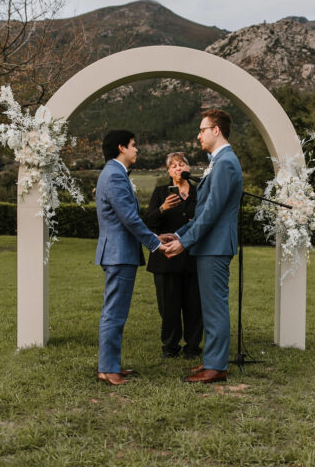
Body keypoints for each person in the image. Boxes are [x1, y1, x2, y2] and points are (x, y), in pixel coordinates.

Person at [161, 109, 243, 383]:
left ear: (216, 130)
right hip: (209, 245)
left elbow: (211, 213)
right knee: (209, 306)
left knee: (215, 306)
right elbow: (202, 212)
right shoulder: (218, 162)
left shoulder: (226, 163)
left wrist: (184, 243)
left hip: (215, 246)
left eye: (202, 130)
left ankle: (216, 367)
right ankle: (211, 360)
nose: (198, 136)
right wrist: (178, 234)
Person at [95, 130, 163, 386]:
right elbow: (129, 218)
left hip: (119, 252)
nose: (137, 150)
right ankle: (107, 369)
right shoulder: (114, 175)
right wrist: (155, 244)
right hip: (118, 253)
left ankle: (111, 364)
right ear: (121, 148)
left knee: (116, 312)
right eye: (134, 145)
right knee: (114, 312)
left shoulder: (114, 173)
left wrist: (155, 236)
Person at [144, 152, 202, 359]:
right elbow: (148, 223)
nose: (178, 168)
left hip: (193, 256)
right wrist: (163, 208)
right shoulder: (160, 193)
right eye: (174, 166)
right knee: (168, 306)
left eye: (182, 164)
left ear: (188, 168)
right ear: (168, 171)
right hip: (166, 258)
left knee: (194, 305)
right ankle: (170, 346)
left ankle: (193, 347)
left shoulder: (199, 192)